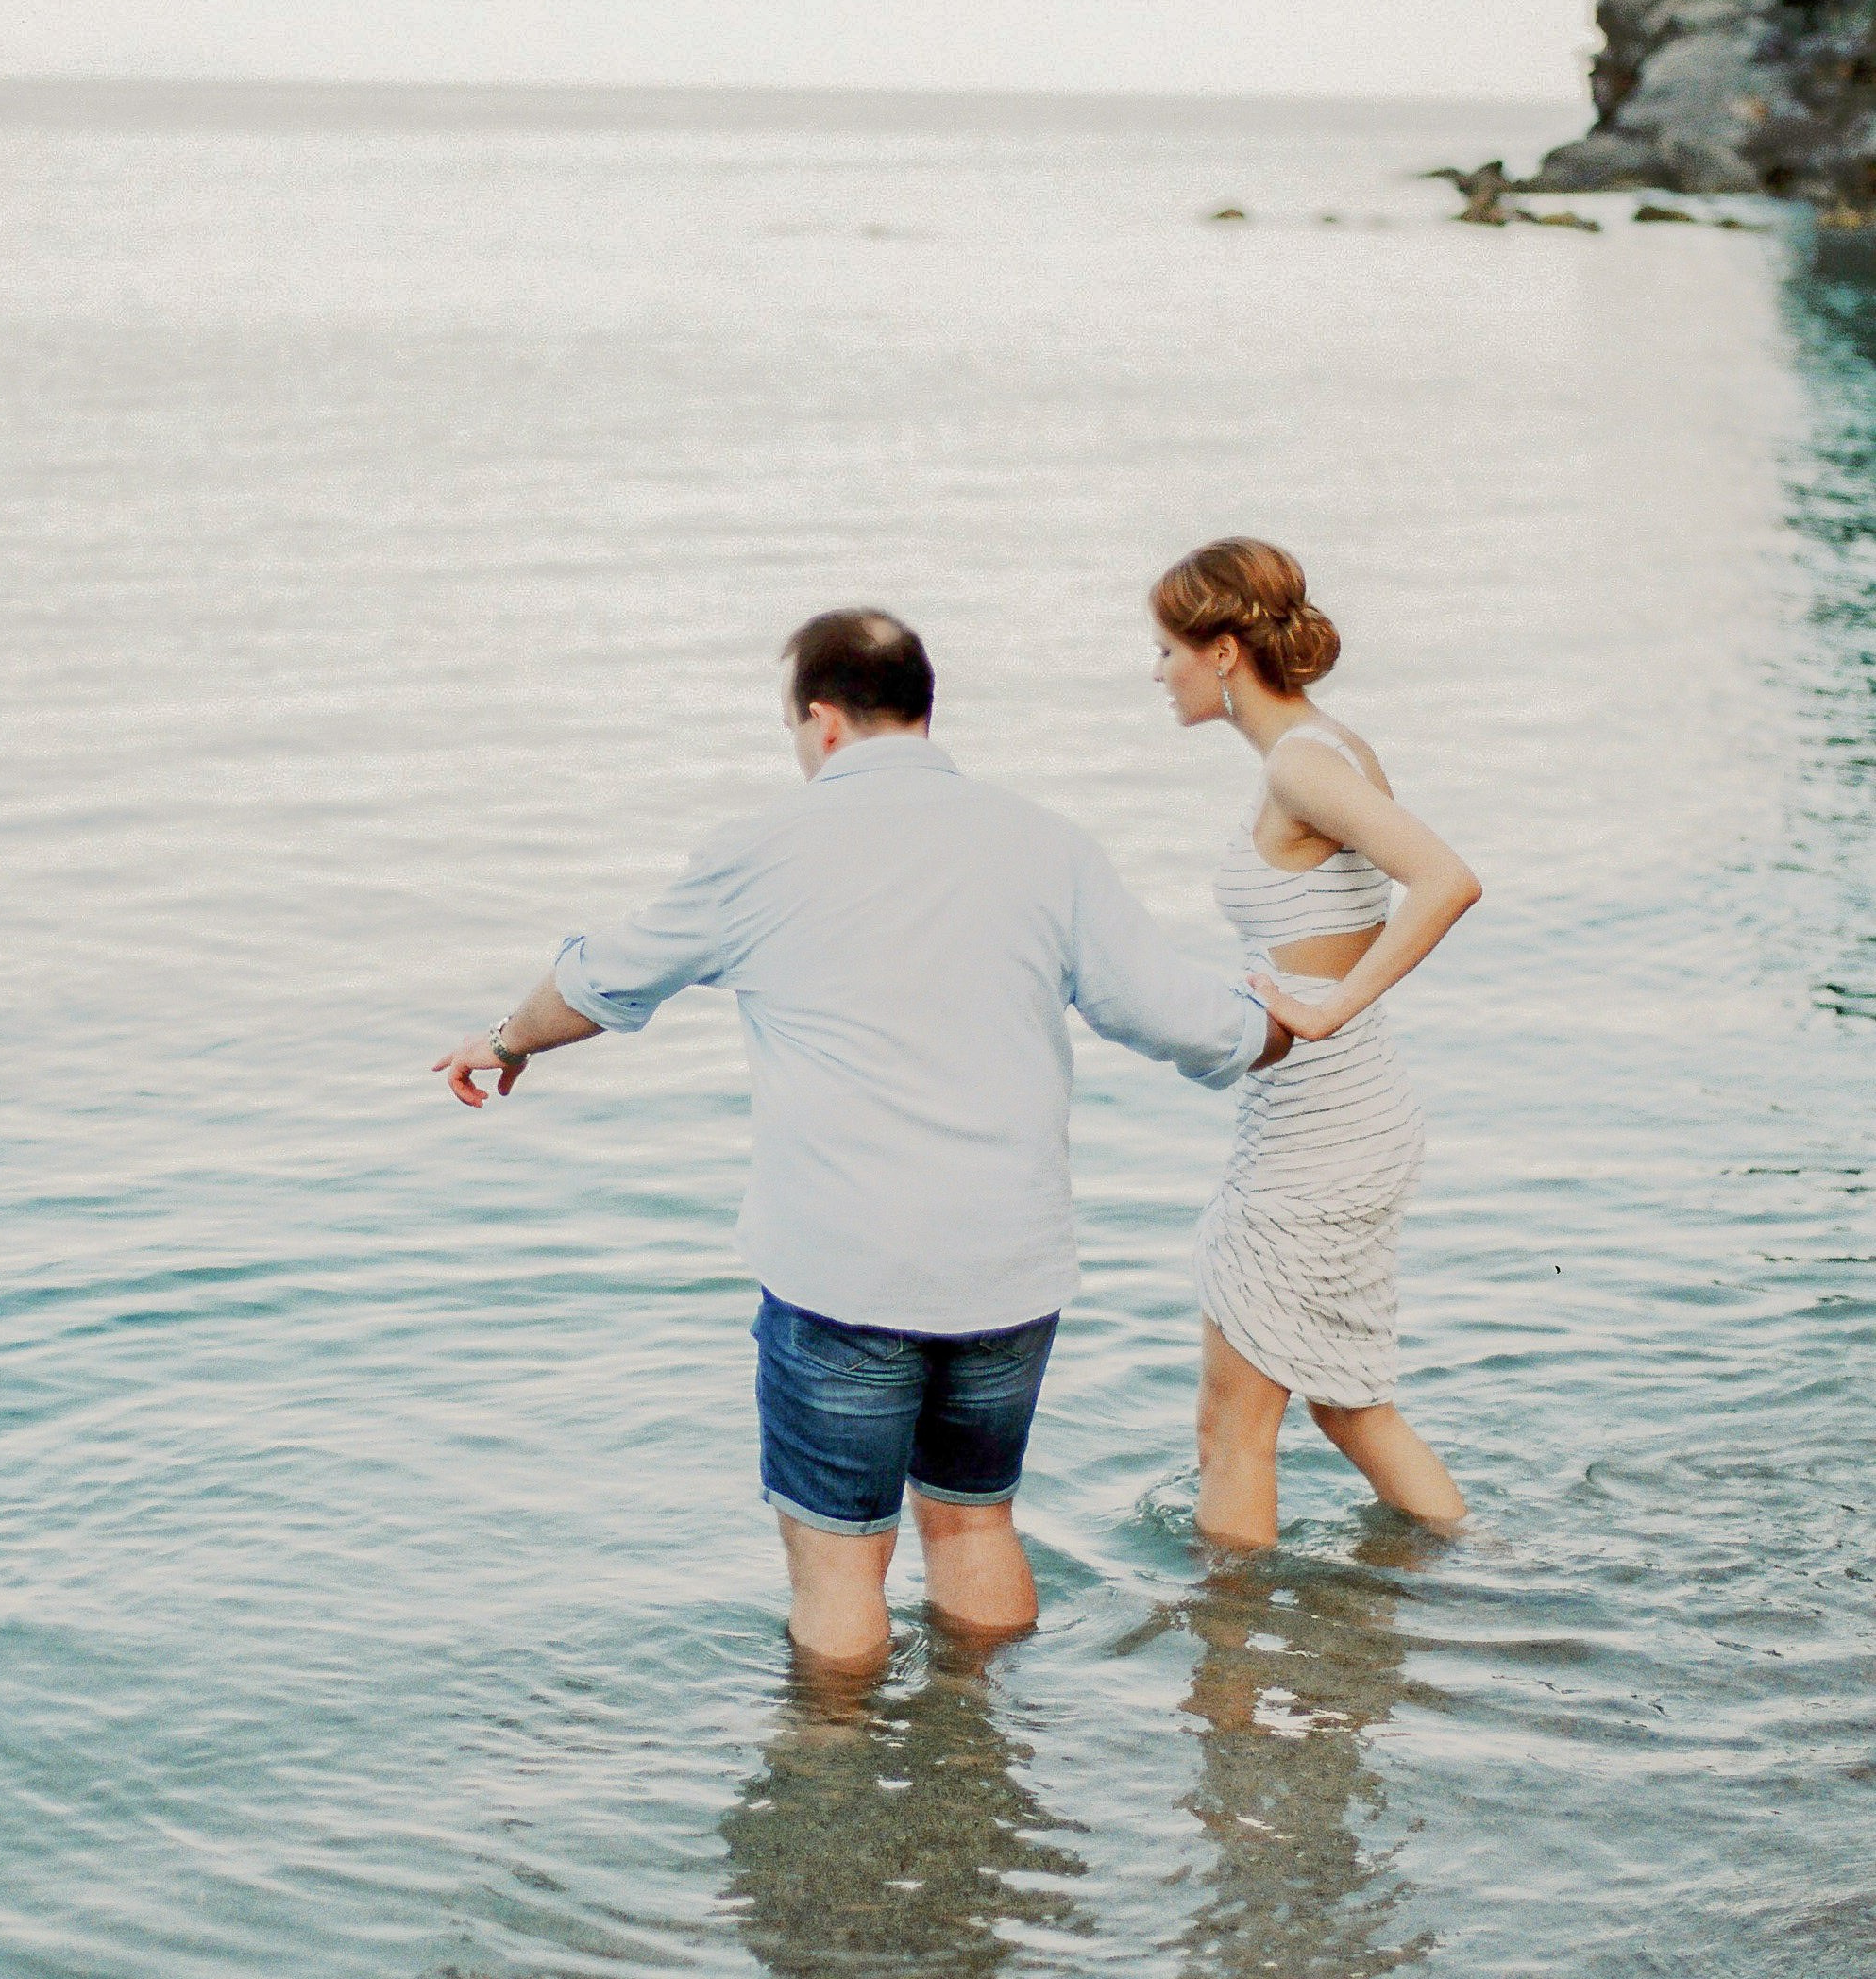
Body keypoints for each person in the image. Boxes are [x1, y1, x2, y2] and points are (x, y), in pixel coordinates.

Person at [435, 608, 1286, 1666]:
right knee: (975, 1522)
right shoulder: (1044, 841)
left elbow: (596, 979)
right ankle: (980, 1763)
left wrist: (506, 1038)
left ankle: (835, 1807)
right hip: (1007, 1269)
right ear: (924, 710)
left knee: (841, 1564)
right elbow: (1176, 1016)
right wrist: (1282, 1020)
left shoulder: (761, 848)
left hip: (845, 1272)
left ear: (823, 723)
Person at [1148, 537, 1480, 1551]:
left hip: (1323, 1128)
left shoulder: (1302, 761)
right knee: (1348, 1403)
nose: (1156, 671)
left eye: (1165, 648)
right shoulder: (1323, 747)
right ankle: (1487, 1567)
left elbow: (1445, 877)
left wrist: (1330, 1006)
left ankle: (1228, 1684)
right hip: (1340, 1115)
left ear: (1221, 651)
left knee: (1231, 1432)